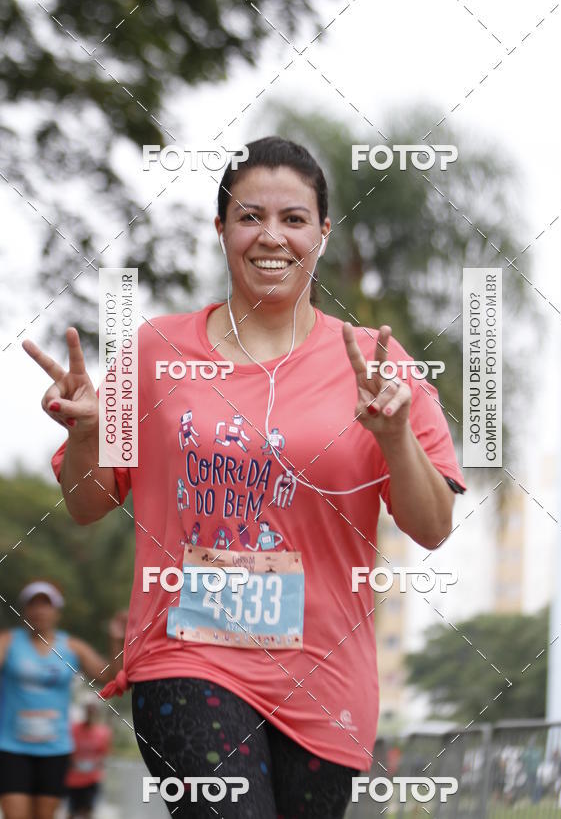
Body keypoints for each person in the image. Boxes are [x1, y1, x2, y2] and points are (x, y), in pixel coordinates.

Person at [23, 136, 466, 818]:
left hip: (325, 683)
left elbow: (432, 527)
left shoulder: (379, 364)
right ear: (221, 229)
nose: (272, 237)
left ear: (323, 232)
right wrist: (88, 436)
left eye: (294, 219)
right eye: (250, 216)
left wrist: (395, 438)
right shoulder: (155, 351)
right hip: (185, 658)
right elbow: (87, 504)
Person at [0, 581, 125, 819]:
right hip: (11, 748)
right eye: (33, 605)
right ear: (24, 611)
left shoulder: (71, 647)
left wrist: (116, 639)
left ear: (57, 612)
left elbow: (109, 676)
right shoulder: (8, 641)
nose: (39, 611)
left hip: (54, 750)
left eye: (46, 605)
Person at [65, 698, 112, 819]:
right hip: (72, 780)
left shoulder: (103, 732)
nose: (91, 712)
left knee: (87, 813)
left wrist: (95, 764)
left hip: (92, 780)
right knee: (71, 813)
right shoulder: (73, 729)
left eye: (93, 710)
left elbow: (104, 755)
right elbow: (66, 751)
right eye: (88, 709)